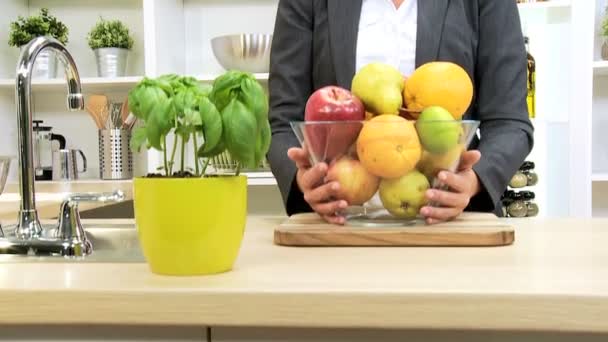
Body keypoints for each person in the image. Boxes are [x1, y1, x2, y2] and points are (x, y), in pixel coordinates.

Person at [267, 0, 534, 224]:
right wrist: (303, 180)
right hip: (337, 227)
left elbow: (510, 123)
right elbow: (281, 121)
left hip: (450, 229)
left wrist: (473, 180)